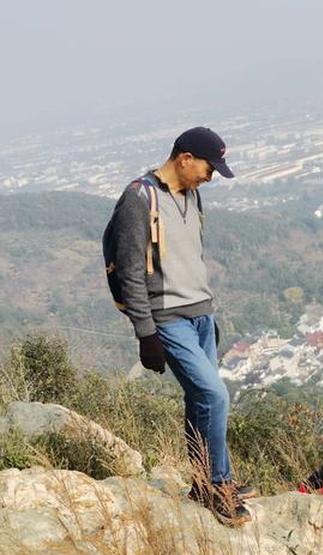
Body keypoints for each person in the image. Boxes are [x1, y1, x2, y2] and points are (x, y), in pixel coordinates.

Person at [102, 127, 254, 526]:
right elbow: (133, 272)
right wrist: (145, 333)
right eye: (208, 167)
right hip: (167, 318)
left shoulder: (192, 194)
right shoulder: (139, 199)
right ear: (184, 158)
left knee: (199, 400)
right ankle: (218, 485)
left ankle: (204, 483)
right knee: (216, 396)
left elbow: (191, 256)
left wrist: (208, 313)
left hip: (202, 315)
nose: (211, 176)